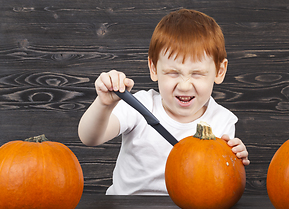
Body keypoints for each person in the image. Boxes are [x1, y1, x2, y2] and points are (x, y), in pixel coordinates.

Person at [78, 9, 250, 195]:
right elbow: (90, 138)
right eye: (172, 73)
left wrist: (232, 159)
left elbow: (218, 184)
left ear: (219, 71)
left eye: (197, 73)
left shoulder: (222, 121)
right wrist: (104, 104)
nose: (184, 86)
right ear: (154, 68)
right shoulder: (139, 106)